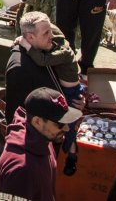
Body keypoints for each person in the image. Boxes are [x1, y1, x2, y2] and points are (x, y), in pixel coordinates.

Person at [0, 87, 82, 201]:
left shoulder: (43, 138)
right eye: (60, 124)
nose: (66, 128)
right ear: (37, 121)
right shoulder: (22, 170)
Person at [21, 24, 86, 175]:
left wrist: (26, 45)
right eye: (45, 35)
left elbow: (42, 60)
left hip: (70, 92)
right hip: (66, 89)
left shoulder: (62, 51)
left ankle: (71, 154)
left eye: (50, 36)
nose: (48, 39)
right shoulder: (57, 48)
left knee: (68, 126)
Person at [5, 12, 67, 125]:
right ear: (30, 37)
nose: (52, 36)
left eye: (51, 31)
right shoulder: (19, 68)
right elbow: (16, 115)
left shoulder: (43, 50)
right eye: (46, 33)